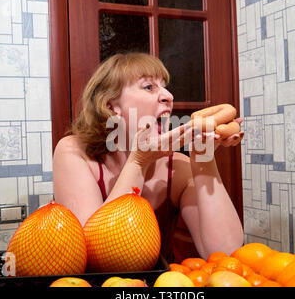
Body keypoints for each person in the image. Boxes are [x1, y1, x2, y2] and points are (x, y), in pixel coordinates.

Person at [53, 52, 245, 262]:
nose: (168, 96)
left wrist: (203, 159)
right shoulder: (73, 152)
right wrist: (138, 162)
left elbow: (226, 253)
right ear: (111, 106)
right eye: (149, 87)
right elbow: (94, 257)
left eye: (164, 86)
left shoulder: (177, 168)